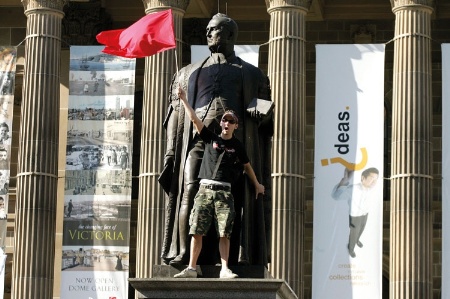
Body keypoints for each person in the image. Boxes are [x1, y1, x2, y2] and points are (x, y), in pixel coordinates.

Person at [160, 13, 273, 267]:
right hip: (198, 139)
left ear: (230, 35)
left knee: (235, 197)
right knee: (190, 188)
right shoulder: (187, 72)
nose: (209, 34)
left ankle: (234, 258)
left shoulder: (252, 74)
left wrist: (261, 111)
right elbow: (175, 115)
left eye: (215, 30)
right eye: (208, 30)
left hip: (233, 143)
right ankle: (183, 254)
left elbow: (267, 112)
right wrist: (169, 153)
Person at [173, 88, 264, 279]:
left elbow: (247, 166)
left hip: (224, 192)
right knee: (197, 229)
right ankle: (191, 267)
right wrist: (183, 99)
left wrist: (257, 184)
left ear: (236, 126)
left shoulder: (238, 146)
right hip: (205, 189)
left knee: (225, 232)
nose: (227, 123)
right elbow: (194, 120)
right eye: (225, 120)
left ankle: (224, 268)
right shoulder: (210, 138)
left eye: (231, 121)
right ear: (221, 123)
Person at [332, 167, 380, 258]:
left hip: (365, 213)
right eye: (372, 178)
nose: (374, 182)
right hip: (355, 216)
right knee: (353, 234)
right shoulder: (353, 189)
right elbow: (336, 196)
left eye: (376, 179)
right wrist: (344, 181)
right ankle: (351, 249)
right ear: (363, 178)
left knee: (361, 229)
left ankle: (357, 240)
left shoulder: (372, 189)